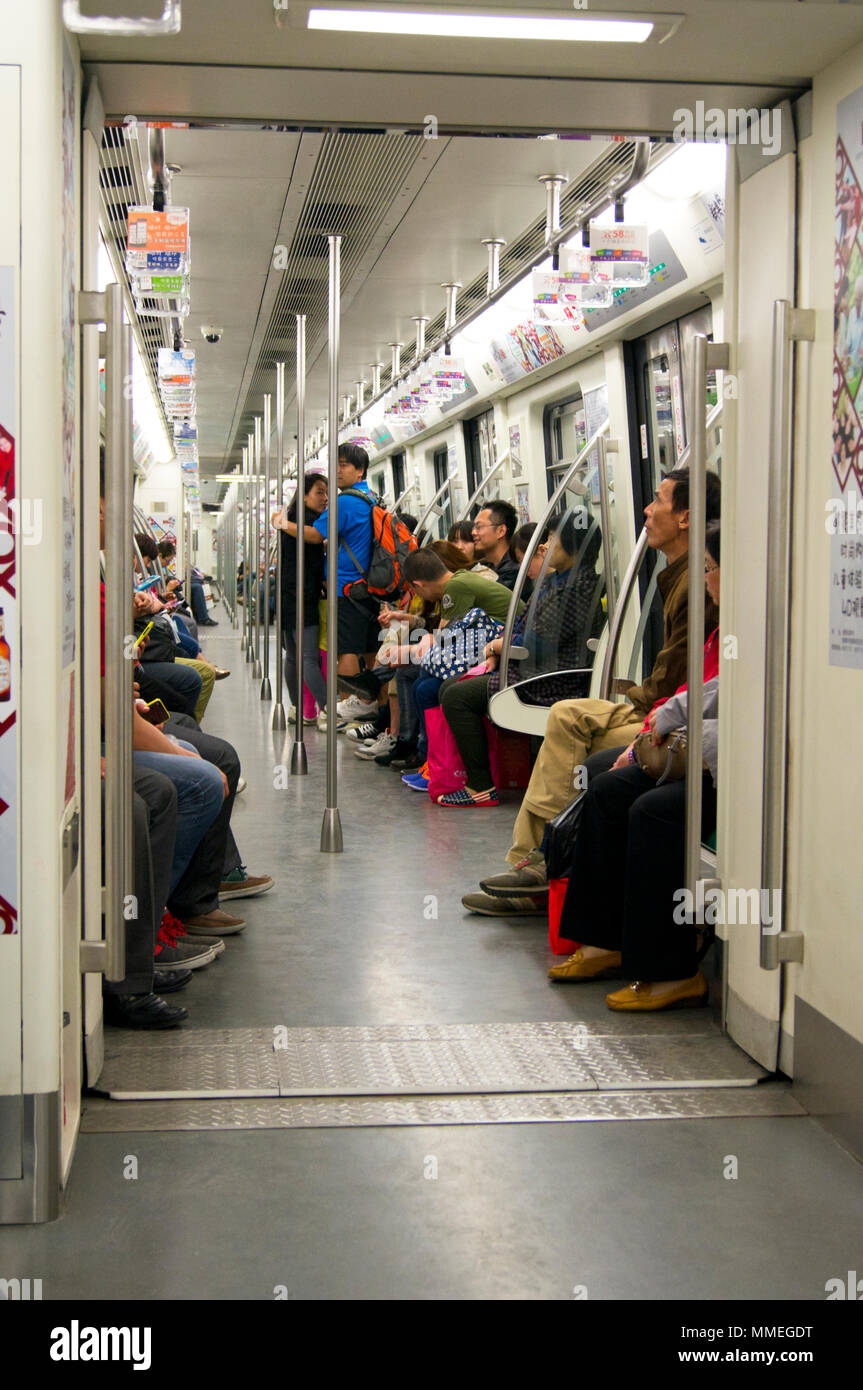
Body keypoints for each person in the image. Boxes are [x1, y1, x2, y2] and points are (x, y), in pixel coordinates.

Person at [464, 465, 720, 915]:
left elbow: (680, 673)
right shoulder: (677, 574)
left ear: (684, 517)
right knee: (567, 714)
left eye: (657, 499)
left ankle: (540, 865)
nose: (646, 508)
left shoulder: (698, 581)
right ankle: (536, 861)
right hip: (662, 705)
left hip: (677, 718)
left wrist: (642, 706)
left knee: (571, 726)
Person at [547, 521, 723, 1011]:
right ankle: (606, 940)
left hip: (737, 773)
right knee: (607, 790)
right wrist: (665, 720)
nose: (706, 578)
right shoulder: (726, 623)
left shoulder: (757, 627)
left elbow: (751, 717)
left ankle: (670, 971)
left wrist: (679, 729)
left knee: (655, 811)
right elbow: (711, 692)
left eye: (710, 569)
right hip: (705, 752)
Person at [436, 513, 603, 807]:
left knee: (457, 696)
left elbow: (539, 644)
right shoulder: (560, 580)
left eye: (552, 539)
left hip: (551, 680)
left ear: (574, 547)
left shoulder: (574, 589)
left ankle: (480, 786)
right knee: (451, 686)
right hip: (535, 668)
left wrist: (500, 647)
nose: (546, 545)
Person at [272, 442, 377, 729]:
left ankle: (343, 711)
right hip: (365, 586)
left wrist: (282, 524)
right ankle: (368, 707)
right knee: (366, 651)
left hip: (345, 588)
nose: (339, 470)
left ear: (360, 470)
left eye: (345, 465)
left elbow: (317, 537)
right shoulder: (370, 499)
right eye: (337, 464)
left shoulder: (344, 502)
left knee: (345, 651)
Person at [277, 472, 329, 727]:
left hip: (288, 595)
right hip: (302, 596)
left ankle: (297, 707)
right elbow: (317, 547)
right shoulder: (307, 523)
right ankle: (329, 709)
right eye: (319, 491)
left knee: (293, 656)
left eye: (326, 492)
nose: (325, 498)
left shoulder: (290, 518)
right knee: (308, 656)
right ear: (305, 494)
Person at [471, 499, 520, 588]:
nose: (473, 532)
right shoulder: (482, 565)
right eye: (474, 527)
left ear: (501, 531)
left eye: (479, 527)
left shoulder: (515, 570)